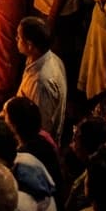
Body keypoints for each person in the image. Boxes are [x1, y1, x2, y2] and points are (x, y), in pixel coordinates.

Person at [16, 15, 68, 143]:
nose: (15, 39)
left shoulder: (41, 82)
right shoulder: (48, 58)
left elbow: (42, 127)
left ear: (29, 45)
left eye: (19, 37)